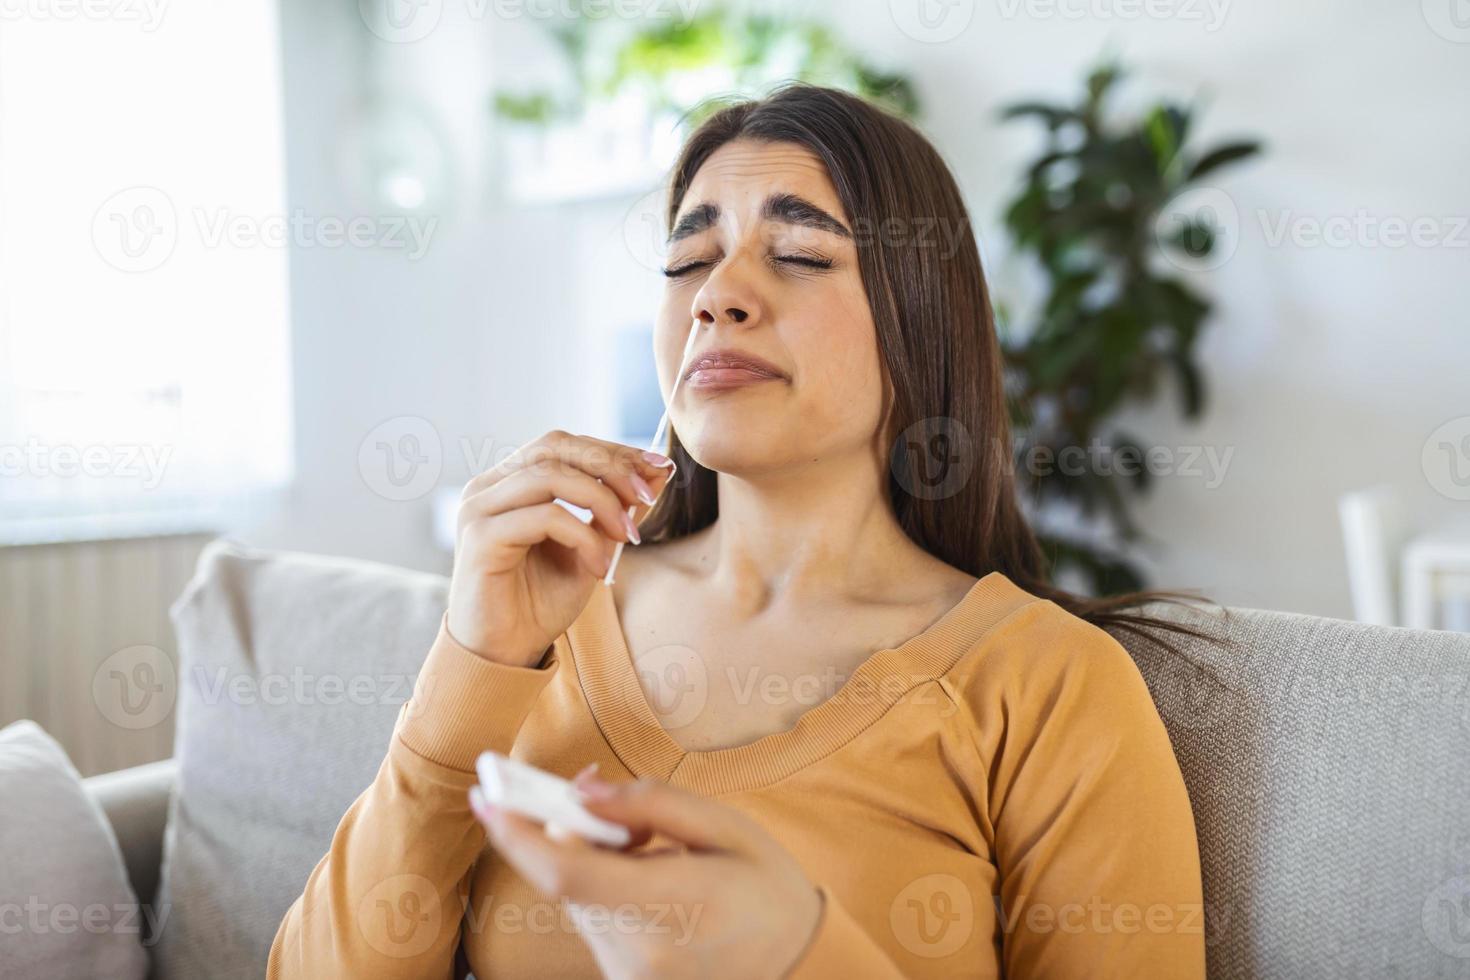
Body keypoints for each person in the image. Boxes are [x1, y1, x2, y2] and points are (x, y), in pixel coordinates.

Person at [268, 83, 1209, 979]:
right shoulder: (544, 631)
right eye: (687, 263)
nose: (717, 294)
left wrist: (794, 950)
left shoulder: (1048, 687)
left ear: (919, 311)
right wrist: (471, 663)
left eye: (799, 254)